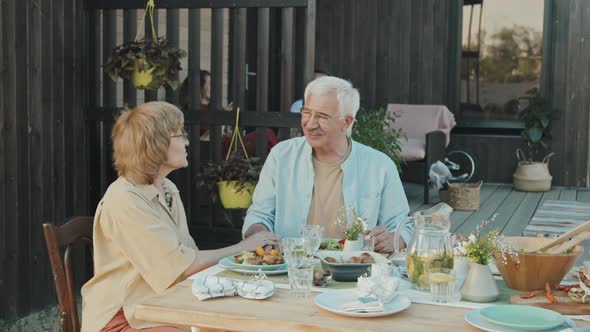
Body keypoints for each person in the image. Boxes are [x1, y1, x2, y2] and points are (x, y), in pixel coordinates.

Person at [81, 102, 277, 332]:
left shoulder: (168, 188)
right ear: (155, 144)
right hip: (126, 316)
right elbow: (181, 266)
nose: (187, 141)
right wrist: (244, 247)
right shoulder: (125, 199)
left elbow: (187, 255)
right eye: (180, 134)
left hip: (162, 304)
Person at [242, 76, 413, 254]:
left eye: (322, 116)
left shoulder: (380, 165)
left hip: (356, 273)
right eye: (307, 112)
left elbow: (404, 226)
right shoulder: (281, 156)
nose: (310, 123)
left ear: (346, 122)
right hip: (289, 267)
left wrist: (395, 239)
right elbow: (259, 214)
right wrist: (259, 235)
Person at [179, 70, 279, 156]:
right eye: (210, 84)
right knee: (265, 134)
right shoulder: (195, 110)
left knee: (265, 137)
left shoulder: (213, 107)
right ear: (199, 87)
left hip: (229, 145)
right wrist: (223, 119)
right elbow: (207, 137)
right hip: (220, 150)